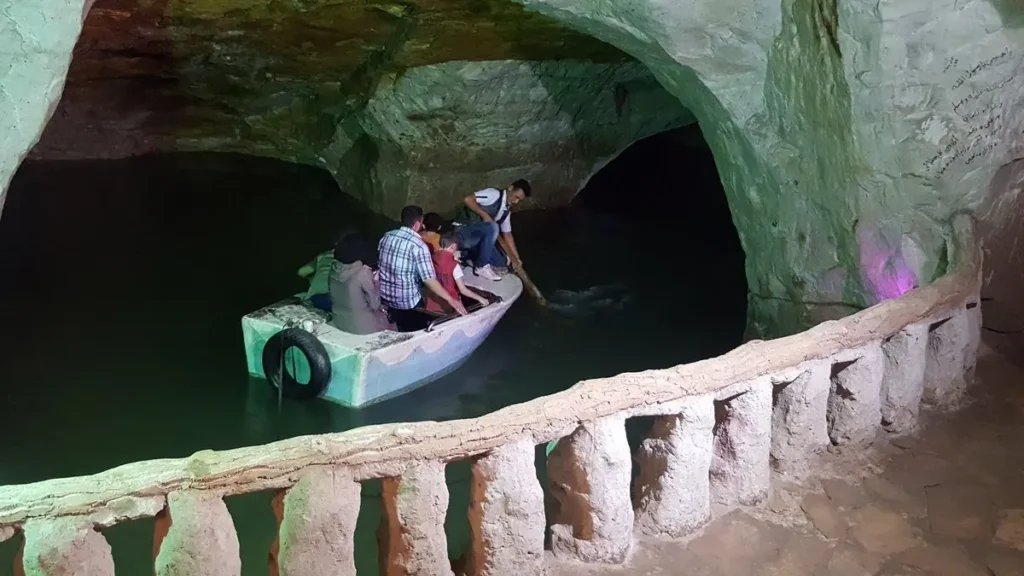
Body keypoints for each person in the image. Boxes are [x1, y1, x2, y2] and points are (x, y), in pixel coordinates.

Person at [378, 205, 467, 331]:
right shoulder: (419, 245)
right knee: (428, 290)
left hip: (384, 296)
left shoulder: (386, 237)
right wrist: (451, 299)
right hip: (407, 302)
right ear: (417, 224)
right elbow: (428, 280)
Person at [457, 179, 531, 281]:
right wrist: (484, 215)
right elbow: (468, 199)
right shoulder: (493, 194)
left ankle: (468, 256)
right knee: (493, 226)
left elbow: (507, 235)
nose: (516, 201)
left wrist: (516, 258)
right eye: (516, 197)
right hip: (462, 232)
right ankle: (480, 267)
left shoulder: (506, 211)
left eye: (519, 200)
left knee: (502, 263)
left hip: (476, 240)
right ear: (510, 188)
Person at [328, 233, 392, 334]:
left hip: (340, 322)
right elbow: (375, 304)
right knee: (392, 321)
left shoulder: (333, 269)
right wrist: (376, 282)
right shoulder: (363, 273)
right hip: (362, 328)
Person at [425, 232, 489, 314]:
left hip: (432, 305)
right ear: (453, 246)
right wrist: (481, 299)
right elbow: (463, 290)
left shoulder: (430, 258)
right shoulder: (454, 265)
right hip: (451, 305)